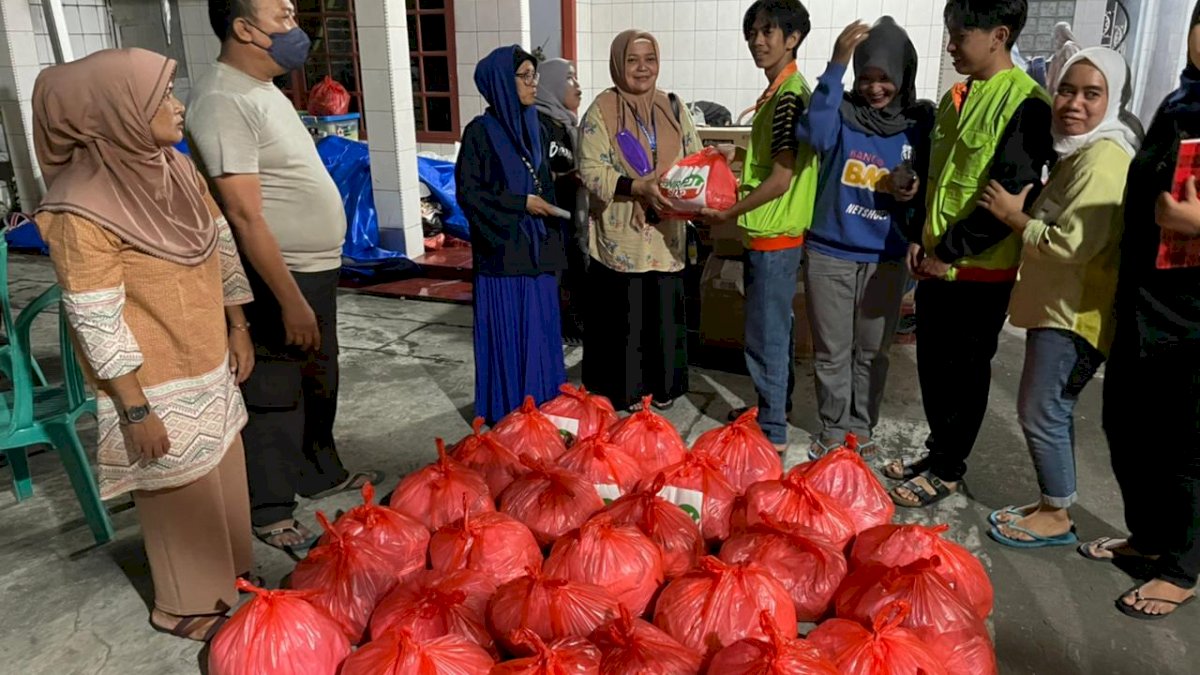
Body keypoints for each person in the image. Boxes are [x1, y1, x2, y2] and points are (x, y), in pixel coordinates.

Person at [32, 48, 255, 641]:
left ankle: (228, 580)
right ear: (115, 112)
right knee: (177, 490)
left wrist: (238, 325)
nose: (177, 107)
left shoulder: (173, 168)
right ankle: (181, 605)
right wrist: (134, 409)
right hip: (153, 380)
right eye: (160, 97)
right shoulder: (80, 205)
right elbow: (95, 316)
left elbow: (220, 243)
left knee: (220, 479)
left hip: (207, 356)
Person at [187, 0, 382, 554]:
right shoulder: (223, 99)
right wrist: (289, 299)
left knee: (319, 374)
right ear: (244, 29)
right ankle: (270, 508)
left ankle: (316, 470)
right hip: (279, 275)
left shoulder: (260, 90)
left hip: (313, 268)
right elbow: (244, 214)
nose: (296, 31)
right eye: (283, 19)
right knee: (274, 389)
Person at [887, 0, 1055, 508]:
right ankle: (939, 450)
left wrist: (950, 254)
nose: (950, 45)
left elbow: (1007, 198)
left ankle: (948, 469)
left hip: (979, 271)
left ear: (998, 34)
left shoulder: (1028, 104)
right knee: (934, 370)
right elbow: (935, 179)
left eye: (960, 35)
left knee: (962, 373)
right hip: (935, 261)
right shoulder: (956, 97)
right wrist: (918, 233)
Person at [978, 48, 1141, 548]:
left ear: (1112, 100)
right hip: (1059, 307)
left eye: (1093, 94)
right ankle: (1054, 502)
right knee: (1051, 409)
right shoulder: (1082, 152)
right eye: (1067, 90)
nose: (1074, 103)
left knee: (1040, 409)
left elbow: (1073, 243)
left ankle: (1056, 518)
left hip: (1073, 314)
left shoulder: (1106, 159)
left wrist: (1013, 217)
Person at [1087, 2, 1200, 620]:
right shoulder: (1179, 104)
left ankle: (1181, 568)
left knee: (1186, 449)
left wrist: (1197, 223)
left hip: (1194, 319)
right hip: (1143, 299)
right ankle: (1149, 539)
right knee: (1127, 429)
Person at [792, 17, 934, 459]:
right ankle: (834, 429)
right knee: (833, 353)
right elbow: (811, 135)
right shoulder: (840, 111)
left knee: (872, 353)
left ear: (903, 75)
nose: (875, 88)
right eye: (866, 77)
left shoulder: (919, 122)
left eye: (885, 79)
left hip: (886, 256)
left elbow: (932, 179)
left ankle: (861, 427)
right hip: (830, 251)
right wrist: (836, 64)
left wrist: (909, 188)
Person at [698, 0, 817, 452]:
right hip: (769, 232)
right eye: (753, 32)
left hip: (774, 234)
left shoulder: (788, 97)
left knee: (765, 334)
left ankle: (771, 433)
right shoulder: (778, 93)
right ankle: (774, 409)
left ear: (793, 39)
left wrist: (728, 213)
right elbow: (772, 163)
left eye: (769, 32)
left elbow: (783, 178)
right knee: (775, 328)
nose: (758, 41)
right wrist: (738, 155)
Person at [579, 30, 702, 412]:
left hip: (667, 232)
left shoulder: (673, 107)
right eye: (633, 60)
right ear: (618, 63)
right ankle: (626, 390)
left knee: (664, 311)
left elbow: (694, 157)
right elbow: (589, 168)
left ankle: (664, 386)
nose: (643, 68)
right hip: (622, 235)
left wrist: (678, 188)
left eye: (649, 59)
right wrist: (637, 187)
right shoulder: (601, 110)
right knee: (625, 315)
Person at [456, 46, 568, 424]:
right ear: (502, 83)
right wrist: (521, 203)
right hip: (504, 255)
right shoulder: (480, 134)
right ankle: (509, 412)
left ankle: (542, 410)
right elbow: (471, 196)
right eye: (524, 76)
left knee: (540, 331)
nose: (532, 83)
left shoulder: (534, 126)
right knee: (511, 335)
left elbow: (545, 181)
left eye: (533, 75)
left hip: (537, 251)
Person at [535, 58, 588, 342]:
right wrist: (570, 178)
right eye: (570, 78)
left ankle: (573, 324)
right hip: (549, 223)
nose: (577, 86)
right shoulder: (539, 124)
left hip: (569, 218)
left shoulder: (567, 123)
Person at [1046, 22, 1083, 92]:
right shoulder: (1058, 52)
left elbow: (1074, 67)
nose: (1056, 40)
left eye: (1057, 36)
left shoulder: (1069, 47)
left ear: (1064, 34)